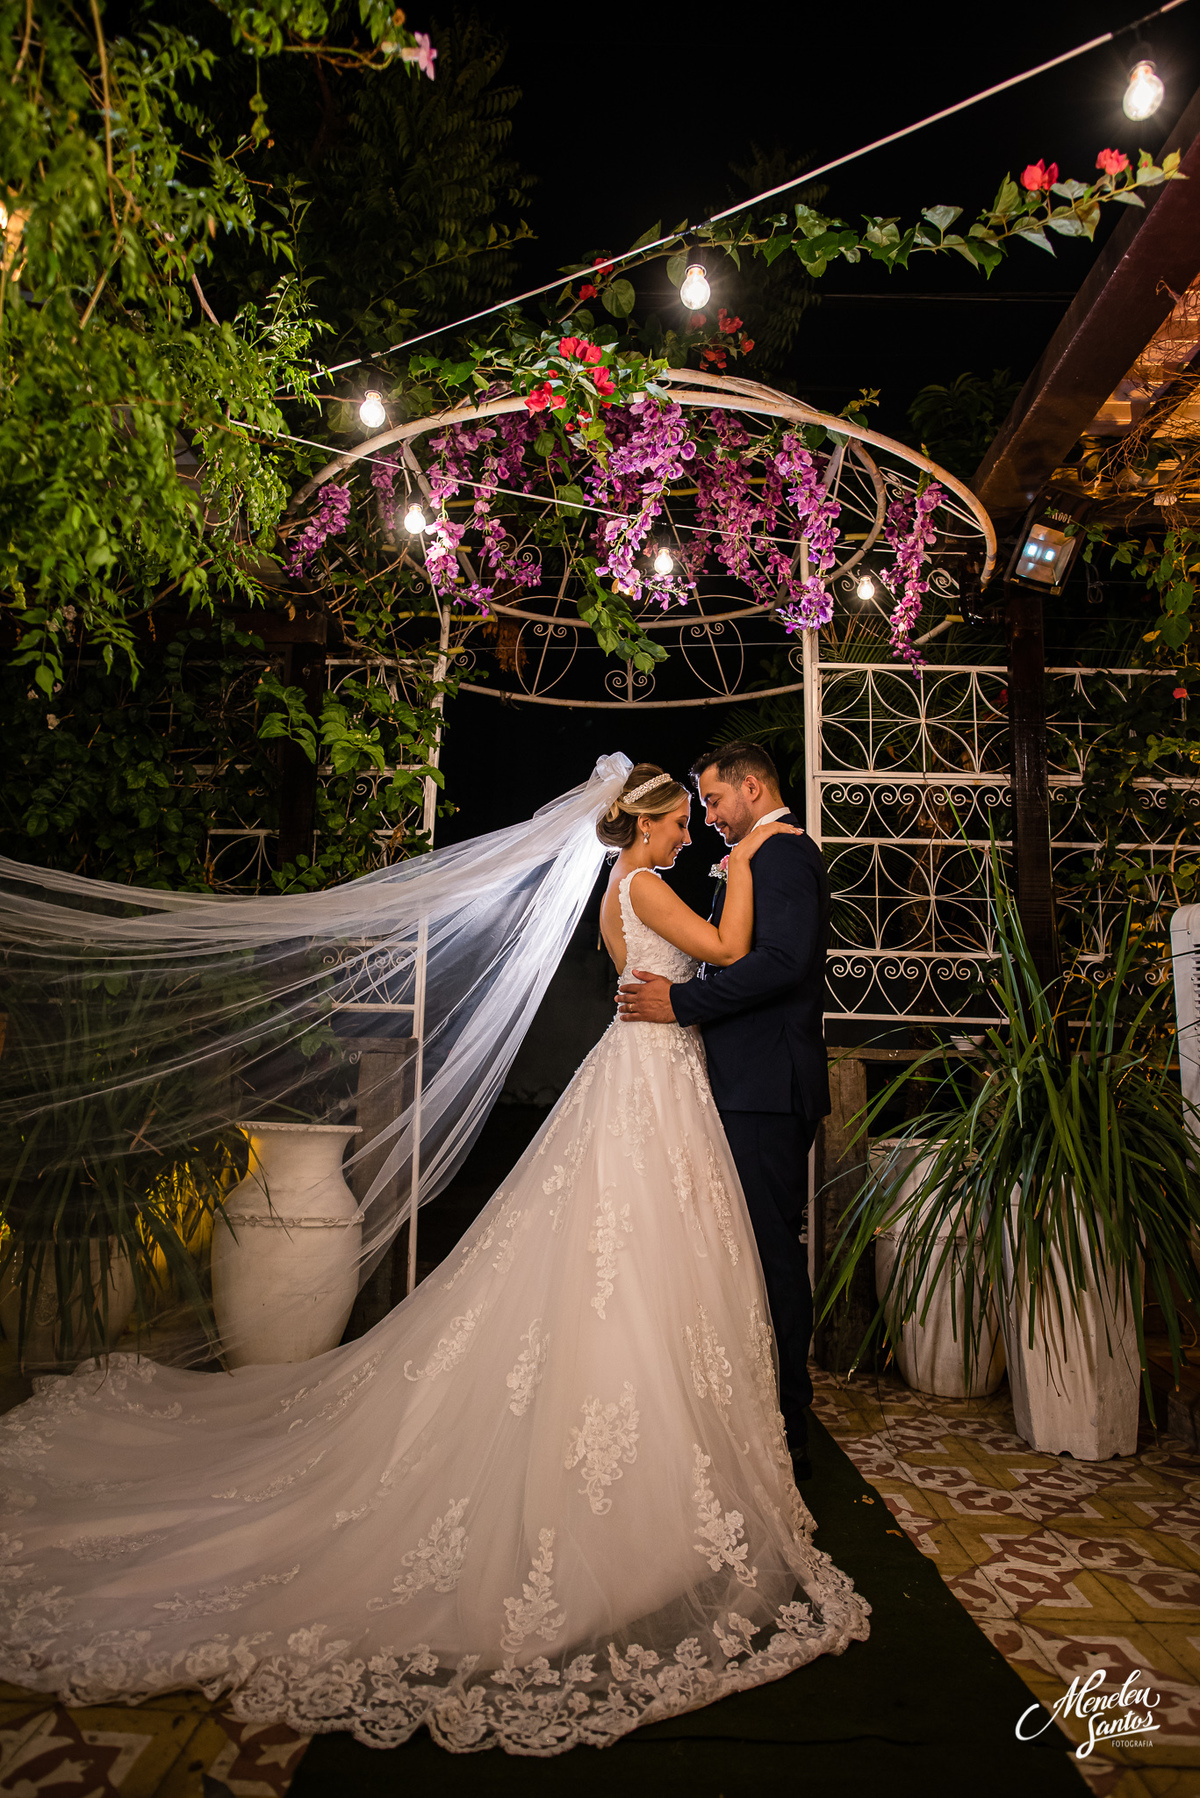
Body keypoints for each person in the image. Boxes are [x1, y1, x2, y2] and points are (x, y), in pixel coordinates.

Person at [0, 761, 867, 1757]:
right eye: (688, 819)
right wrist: (753, 856)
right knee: (634, 1251)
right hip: (651, 1080)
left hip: (646, 1076)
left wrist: (742, 869)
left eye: (710, 818)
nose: (698, 832)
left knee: (622, 1250)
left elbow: (698, 966)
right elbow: (730, 947)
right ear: (658, 820)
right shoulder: (655, 881)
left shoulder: (616, 891)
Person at [617, 743, 829, 1482]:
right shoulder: (754, 856)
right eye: (696, 809)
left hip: (767, 1088)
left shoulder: (785, 855)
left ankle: (787, 1425)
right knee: (738, 1251)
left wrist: (681, 1001)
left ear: (751, 786)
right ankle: (746, 1407)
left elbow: (780, 964)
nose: (707, 819)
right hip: (737, 1083)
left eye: (713, 802)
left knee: (770, 1252)